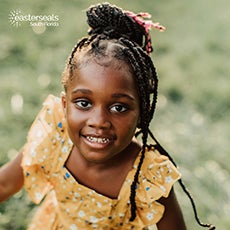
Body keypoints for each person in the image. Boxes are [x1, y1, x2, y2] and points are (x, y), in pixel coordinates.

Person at [0, 3, 215, 230]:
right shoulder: (56, 137)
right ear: (64, 106)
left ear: (142, 113)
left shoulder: (147, 177)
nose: (99, 121)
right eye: (84, 103)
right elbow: (4, 185)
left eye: (119, 108)